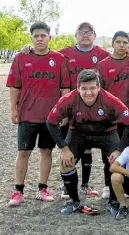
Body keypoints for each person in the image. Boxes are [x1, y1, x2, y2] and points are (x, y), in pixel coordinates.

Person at [22, 22, 111, 198]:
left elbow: (119, 55)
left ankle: (85, 184)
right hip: (70, 109)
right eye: (81, 32)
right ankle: (67, 186)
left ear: (95, 35)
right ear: (75, 35)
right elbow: (44, 54)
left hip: (94, 108)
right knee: (70, 147)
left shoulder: (102, 55)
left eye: (89, 32)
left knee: (88, 148)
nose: (85, 35)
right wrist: (28, 48)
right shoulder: (64, 54)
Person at [46, 69, 129, 215]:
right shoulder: (68, 99)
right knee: (65, 165)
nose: (89, 93)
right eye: (84, 89)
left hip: (106, 133)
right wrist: (64, 148)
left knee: (117, 163)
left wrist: (119, 149)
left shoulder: (110, 100)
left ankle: (113, 201)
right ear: (77, 88)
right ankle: (74, 201)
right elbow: (50, 122)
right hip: (78, 133)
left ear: (99, 87)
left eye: (92, 88)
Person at [7, 22, 71, 206]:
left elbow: (64, 88)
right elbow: (15, 85)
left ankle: (42, 188)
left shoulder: (59, 59)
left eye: (43, 35)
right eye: (36, 36)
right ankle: (18, 191)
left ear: (50, 37)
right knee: (23, 152)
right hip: (27, 115)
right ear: (32, 38)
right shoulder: (21, 57)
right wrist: (13, 108)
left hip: (50, 118)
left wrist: (63, 112)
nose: (40, 39)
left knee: (46, 151)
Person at [97, 31, 129, 138]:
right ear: (112, 44)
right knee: (111, 149)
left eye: (125, 42)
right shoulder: (102, 64)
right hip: (111, 113)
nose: (121, 45)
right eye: (118, 42)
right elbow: (100, 91)